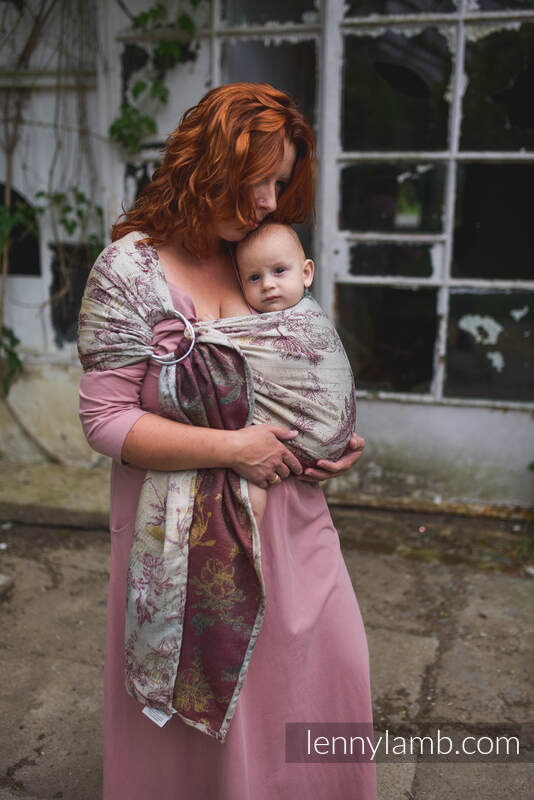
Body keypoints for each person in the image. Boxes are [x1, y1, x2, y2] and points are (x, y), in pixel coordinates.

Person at [78, 82, 376, 800]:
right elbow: (105, 421)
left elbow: (291, 367)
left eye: (280, 182)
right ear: (211, 161)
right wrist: (234, 447)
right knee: (211, 717)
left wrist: (327, 435)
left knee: (324, 674)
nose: (272, 202)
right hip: (181, 541)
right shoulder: (130, 274)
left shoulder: (255, 255)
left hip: (290, 519)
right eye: (259, 179)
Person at [233, 221, 314, 526]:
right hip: (259, 443)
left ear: (306, 273)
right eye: (254, 277)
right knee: (254, 499)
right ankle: (247, 536)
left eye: (279, 271)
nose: (267, 284)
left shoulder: (312, 321)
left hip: (303, 438)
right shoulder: (246, 318)